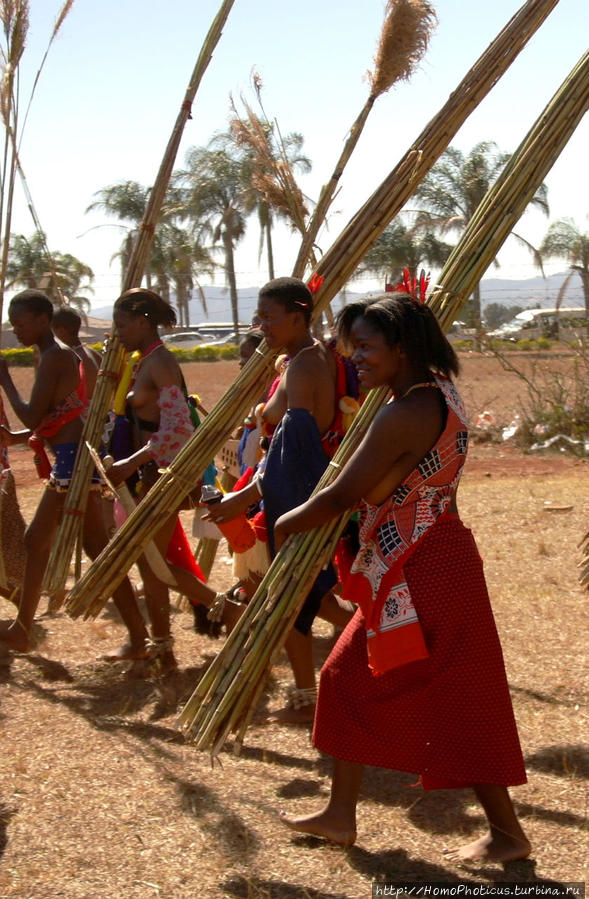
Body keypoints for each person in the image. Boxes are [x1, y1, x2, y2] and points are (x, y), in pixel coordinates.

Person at [273, 292, 530, 863]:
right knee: (458, 693)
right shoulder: (436, 394)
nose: (355, 359)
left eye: (365, 347)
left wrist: (280, 522)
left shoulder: (405, 411)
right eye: (351, 348)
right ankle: (504, 834)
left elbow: (342, 494)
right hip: (441, 559)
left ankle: (344, 816)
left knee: (344, 677)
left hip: (420, 567)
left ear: (402, 347)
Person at [204, 277, 356, 723]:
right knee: (296, 597)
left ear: (297, 317)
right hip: (288, 495)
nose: (261, 325)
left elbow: (296, 453)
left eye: (269, 317)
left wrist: (244, 499)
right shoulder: (299, 361)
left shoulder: (306, 367)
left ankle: (326, 686)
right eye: (259, 316)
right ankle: (309, 690)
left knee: (294, 596)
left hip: (295, 499)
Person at [0, 289, 149, 658]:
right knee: (96, 547)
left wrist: (4, 379)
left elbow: (34, 414)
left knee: (37, 543)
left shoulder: (54, 358)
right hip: (77, 455)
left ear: (41, 320)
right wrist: (21, 437)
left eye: (20, 324)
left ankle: (22, 629)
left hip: (71, 461)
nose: (15, 330)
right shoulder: (56, 356)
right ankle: (139, 635)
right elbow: (59, 415)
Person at [107, 287, 241, 671]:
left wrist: (132, 462)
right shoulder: (141, 361)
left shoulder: (161, 363)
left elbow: (178, 429)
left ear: (142, 321)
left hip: (159, 476)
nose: (118, 333)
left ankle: (226, 614)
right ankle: (163, 649)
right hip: (144, 476)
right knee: (152, 564)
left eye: (122, 324)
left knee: (156, 566)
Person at [52, 306, 102, 398]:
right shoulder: (93, 353)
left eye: (53, 332)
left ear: (61, 331)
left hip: (86, 411)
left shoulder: (69, 359)